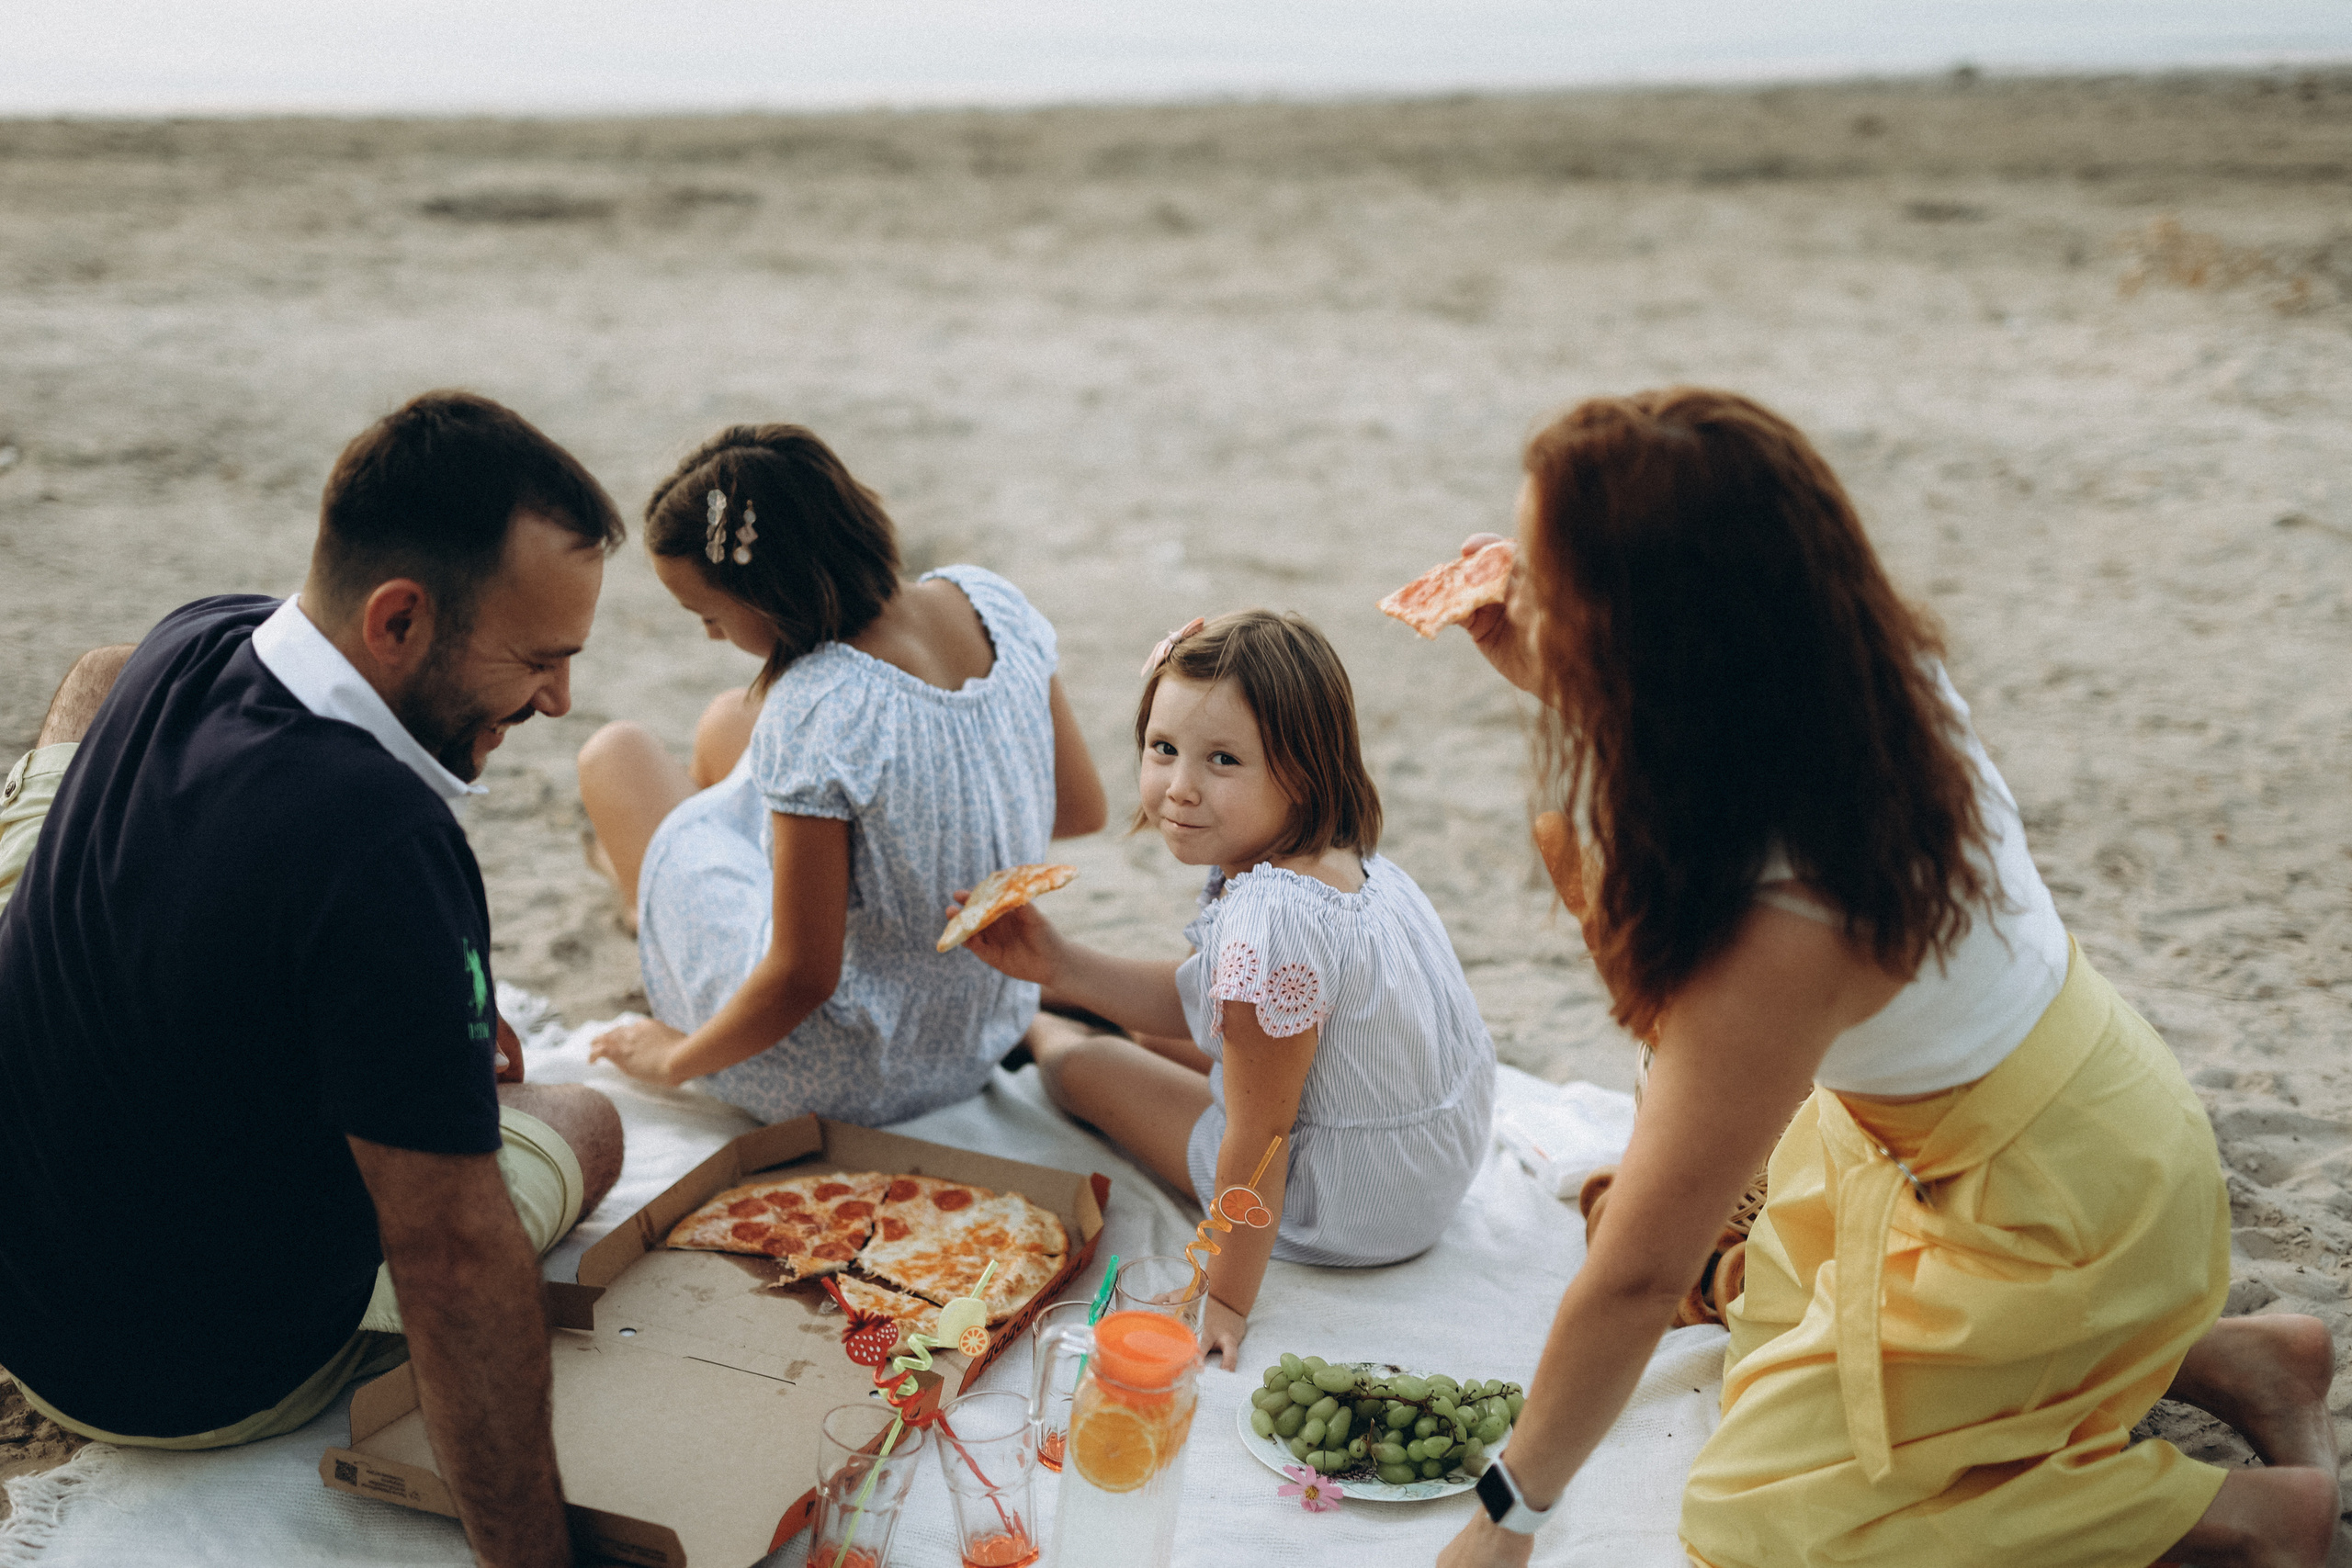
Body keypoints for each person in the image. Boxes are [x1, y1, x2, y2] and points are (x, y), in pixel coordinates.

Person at [1432, 389, 2337, 1568]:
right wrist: (1556, 673)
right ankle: (2225, 1356)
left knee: (1767, 1521)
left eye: (1551, 587)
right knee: (1769, 1319)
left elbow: (1640, 1276)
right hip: (2086, 1108)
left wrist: (1510, 1517)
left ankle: (2253, 1521)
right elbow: (1699, 726)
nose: (1523, 598)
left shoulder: (1783, 923)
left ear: (1646, 632)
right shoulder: (1859, 675)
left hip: (2052, 1210)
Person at [0, 391, 629, 1568]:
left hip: (25, 1263)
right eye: (539, 659)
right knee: (587, 1121)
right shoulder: (380, 851)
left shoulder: (200, 636)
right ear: (397, 619)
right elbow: (451, 1262)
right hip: (179, 1379)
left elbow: (112, 669)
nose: (556, 701)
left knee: (94, 684)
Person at [959, 609, 1498, 1362]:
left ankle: (1035, 1027)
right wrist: (1057, 963)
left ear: (1303, 770)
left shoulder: (1271, 923)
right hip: (1430, 1166)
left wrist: (1227, 1298)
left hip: (1349, 1206)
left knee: (1088, 1069)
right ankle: (1050, 999)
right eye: (1164, 748)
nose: (1179, 788)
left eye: (1223, 761)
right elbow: (1201, 1001)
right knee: (1159, 1032)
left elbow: (1261, 1139)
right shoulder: (1344, 857)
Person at [578, 423, 1107, 1121]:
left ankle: (641, 903)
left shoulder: (822, 703)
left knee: (616, 755)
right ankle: (656, 895)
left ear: (768, 592)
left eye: (709, 615)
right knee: (727, 722)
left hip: (843, 1071)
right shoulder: (995, 607)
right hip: (974, 1032)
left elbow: (803, 976)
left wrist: (671, 1058)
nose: (710, 635)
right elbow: (1078, 810)